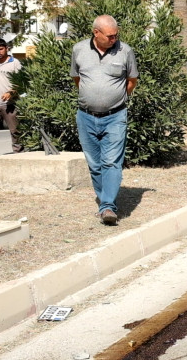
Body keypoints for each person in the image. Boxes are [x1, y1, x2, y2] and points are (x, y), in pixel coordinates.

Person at [70, 15, 138, 225]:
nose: (114, 39)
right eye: (110, 36)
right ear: (96, 33)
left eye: (116, 35)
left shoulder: (125, 51)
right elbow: (77, 78)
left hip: (115, 116)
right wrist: (92, 97)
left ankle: (108, 206)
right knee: (95, 164)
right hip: (86, 116)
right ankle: (104, 203)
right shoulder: (79, 49)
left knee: (111, 162)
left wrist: (115, 99)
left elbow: (132, 80)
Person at [0, 38, 23, 153]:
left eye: (0, 49)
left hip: (10, 103)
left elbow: (21, 82)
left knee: (15, 130)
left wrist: (11, 92)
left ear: (6, 49)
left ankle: (18, 154)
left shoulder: (15, 63)